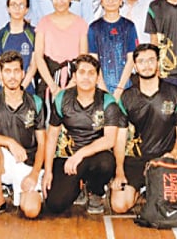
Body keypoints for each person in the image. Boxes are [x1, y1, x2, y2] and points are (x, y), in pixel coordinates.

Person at [111, 44, 177, 214]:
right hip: (135, 160)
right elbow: (120, 138)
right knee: (119, 205)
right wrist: (119, 170)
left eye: (151, 60)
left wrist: (173, 156)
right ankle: (140, 192)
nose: (146, 65)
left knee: (173, 203)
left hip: (164, 160)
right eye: (141, 61)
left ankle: (151, 191)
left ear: (158, 63)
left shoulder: (175, 94)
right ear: (135, 66)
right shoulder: (127, 97)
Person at [42, 54, 124, 215]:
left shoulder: (108, 102)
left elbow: (109, 140)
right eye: (82, 72)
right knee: (54, 205)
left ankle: (96, 191)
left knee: (107, 163)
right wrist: (48, 171)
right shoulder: (61, 99)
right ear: (74, 76)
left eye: (91, 73)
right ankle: (77, 186)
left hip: (95, 157)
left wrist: (80, 155)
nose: (86, 77)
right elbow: (51, 137)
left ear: (97, 77)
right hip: (67, 157)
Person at [0, 50, 46, 217]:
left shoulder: (35, 102)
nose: (12, 76)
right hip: (4, 162)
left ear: (23, 74)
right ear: (1, 75)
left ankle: (21, 190)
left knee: (31, 211)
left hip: (28, 164)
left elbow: (43, 143)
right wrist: (9, 142)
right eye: (7, 71)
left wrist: (35, 173)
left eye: (16, 71)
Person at [34, 0, 88, 102]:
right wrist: (53, 86)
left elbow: (83, 58)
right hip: (49, 79)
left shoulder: (81, 23)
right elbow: (38, 56)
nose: (60, 1)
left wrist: (72, 84)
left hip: (75, 80)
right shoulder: (44, 22)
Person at [87, 0, 137, 94]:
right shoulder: (94, 28)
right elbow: (93, 61)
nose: (111, 0)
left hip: (125, 88)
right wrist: (103, 88)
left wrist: (120, 88)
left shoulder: (129, 26)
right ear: (102, 2)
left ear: (120, 1)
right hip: (100, 88)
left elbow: (131, 58)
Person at [0, 0, 38, 93]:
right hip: (4, 90)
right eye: (13, 5)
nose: (17, 8)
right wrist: (7, 88)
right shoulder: (1, 34)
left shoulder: (34, 34)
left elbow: (33, 65)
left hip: (27, 89)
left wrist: (21, 88)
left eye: (21, 5)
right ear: (8, 8)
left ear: (26, 9)